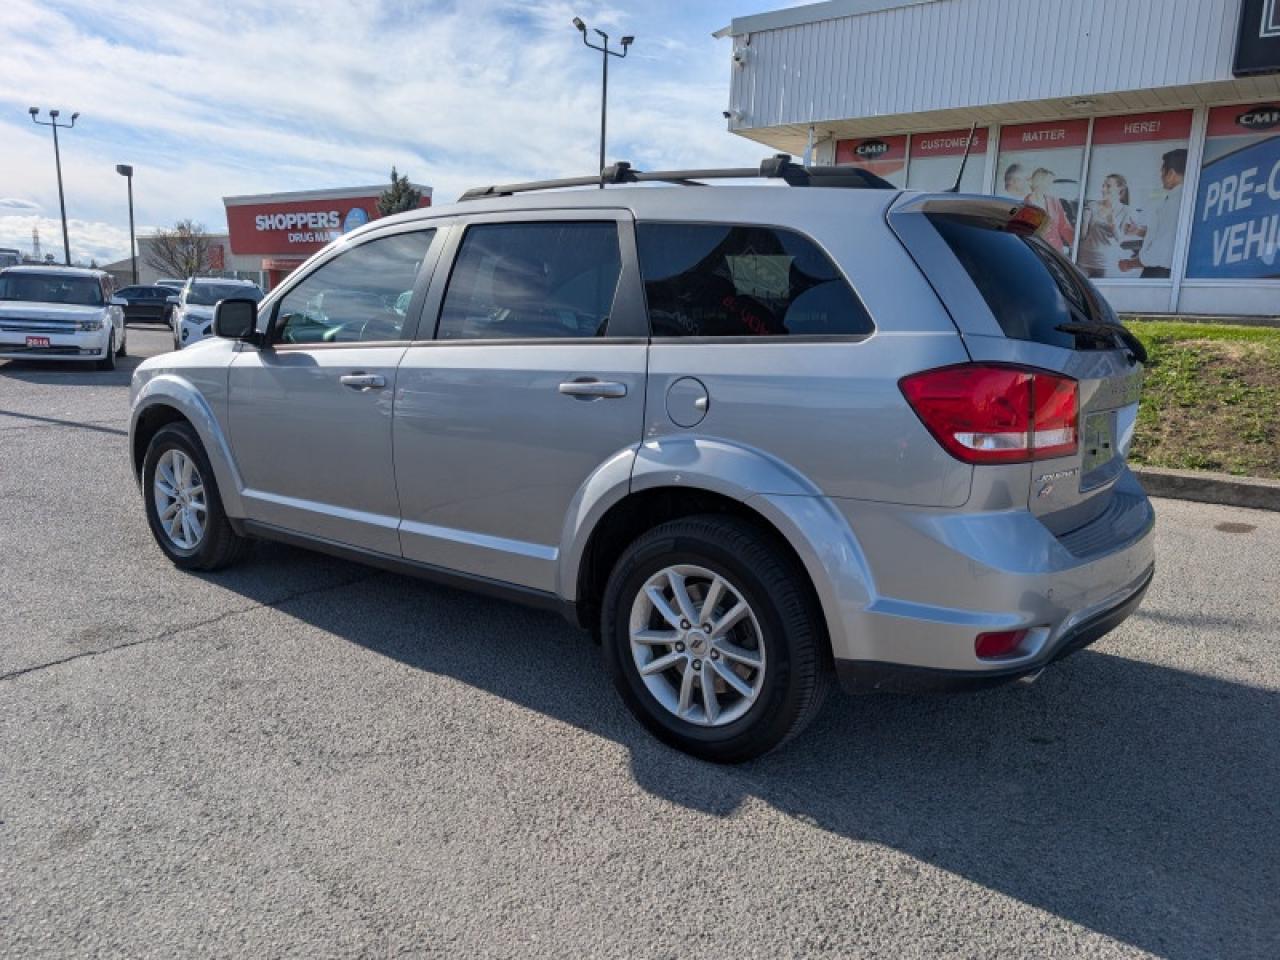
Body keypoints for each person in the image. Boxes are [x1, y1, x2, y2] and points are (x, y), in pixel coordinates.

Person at [1120, 149, 1187, 279]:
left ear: (1171, 173)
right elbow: (1160, 233)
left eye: (1162, 173)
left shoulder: (1176, 203)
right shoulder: (1175, 198)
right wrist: (1138, 231)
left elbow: (1161, 250)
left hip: (1159, 273)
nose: (1161, 178)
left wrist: (1130, 264)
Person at [1078, 174, 1138, 278]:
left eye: (1108, 186)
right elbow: (1083, 237)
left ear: (1120, 189)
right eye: (1103, 185)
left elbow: (1120, 240)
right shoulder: (1092, 205)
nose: (1103, 189)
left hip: (1106, 263)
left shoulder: (1125, 210)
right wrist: (1085, 221)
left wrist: (1112, 222)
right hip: (1084, 260)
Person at [1026, 168, 1075, 254]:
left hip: (1055, 251)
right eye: (1048, 182)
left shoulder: (1054, 201)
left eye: (1051, 182)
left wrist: (1074, 243)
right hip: (1035, 251)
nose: (1051, 185)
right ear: (1038, 182)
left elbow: (1064, 226)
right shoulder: (1024, 205)